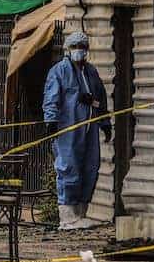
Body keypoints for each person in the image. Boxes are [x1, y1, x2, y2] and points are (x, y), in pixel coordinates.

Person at [43, 31, 111, 230]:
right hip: (67, 130)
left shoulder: (91, 72)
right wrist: (51, 120)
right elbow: (51, 97)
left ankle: (81, 214)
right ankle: (67, 216)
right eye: (75, 47)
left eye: (82, 47)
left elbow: (100, 99)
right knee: (68, 168)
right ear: (68, 49)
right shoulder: (59, 71)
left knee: (89, 168)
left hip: (89, 129)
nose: (79, 51)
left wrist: (104, 122)